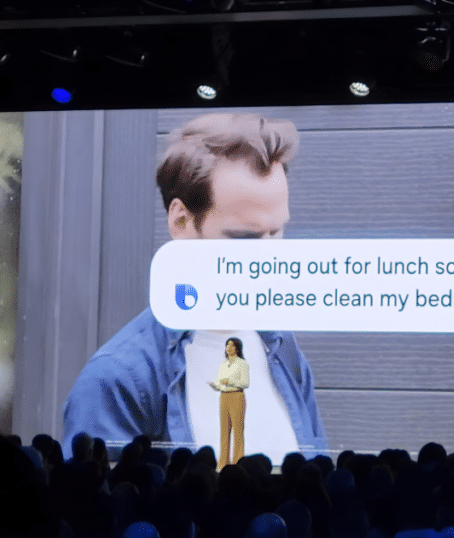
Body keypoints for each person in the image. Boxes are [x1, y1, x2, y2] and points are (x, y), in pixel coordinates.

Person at [63, 113, 327, 462]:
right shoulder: (118, 380)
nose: (269, 258)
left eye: (276, 232)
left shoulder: (279, 344)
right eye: (245, 237)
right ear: (182, 222)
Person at [210, 337, 250, 469]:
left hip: (237, 396)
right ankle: (223, 462)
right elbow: (219, 382)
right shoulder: (223, 364)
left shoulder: (242, 363)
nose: (229, 348)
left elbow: (245, 383)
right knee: (224, 431)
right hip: (224, 397)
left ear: (237, 348)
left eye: (232, 345)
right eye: (227, 345)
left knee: (237, 431)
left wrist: (229, 382)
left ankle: (238, 462)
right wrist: (217, 386)